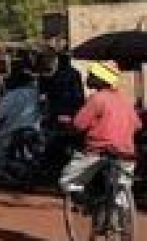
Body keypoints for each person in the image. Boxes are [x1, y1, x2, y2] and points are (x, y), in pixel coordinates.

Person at [59, 61, 141, 198]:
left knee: (68, 181)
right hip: (126, 153)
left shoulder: (97, 98)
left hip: (98, 151)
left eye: (91, 75)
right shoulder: (125, 100)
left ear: (99, 79)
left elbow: (79, 125)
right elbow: (137, 125)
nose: (88, 78)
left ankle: (83, 200)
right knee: (122, 190)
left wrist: (67, 122)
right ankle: (121, 207)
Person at [0, 70, 42, 181]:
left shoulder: (11, 95)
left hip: (12, 131)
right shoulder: (36, 94)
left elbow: (0, 116)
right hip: (33, 130)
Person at [43, 54, 86, 126]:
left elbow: (50, 90)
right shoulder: (75, 72)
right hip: (69, 106)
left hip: (59, 106)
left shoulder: (56, 73)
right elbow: (79, 91)